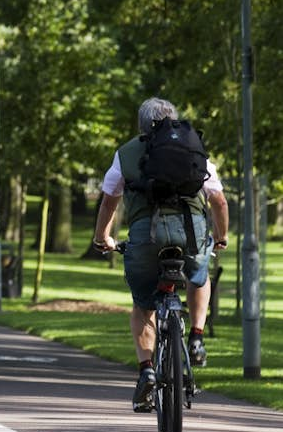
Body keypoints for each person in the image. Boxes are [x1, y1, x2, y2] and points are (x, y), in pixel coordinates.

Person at [92, 97, 228, 412]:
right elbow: (218, 201)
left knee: (143, 306)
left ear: (141, 125)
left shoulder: (125, 153)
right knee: (199, 277)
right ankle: (196, 336)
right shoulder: (194, 148)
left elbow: (109, 201)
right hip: (191, 234)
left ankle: (147, 372)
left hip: (145, 238)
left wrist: (103, 237)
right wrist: (220, 238)